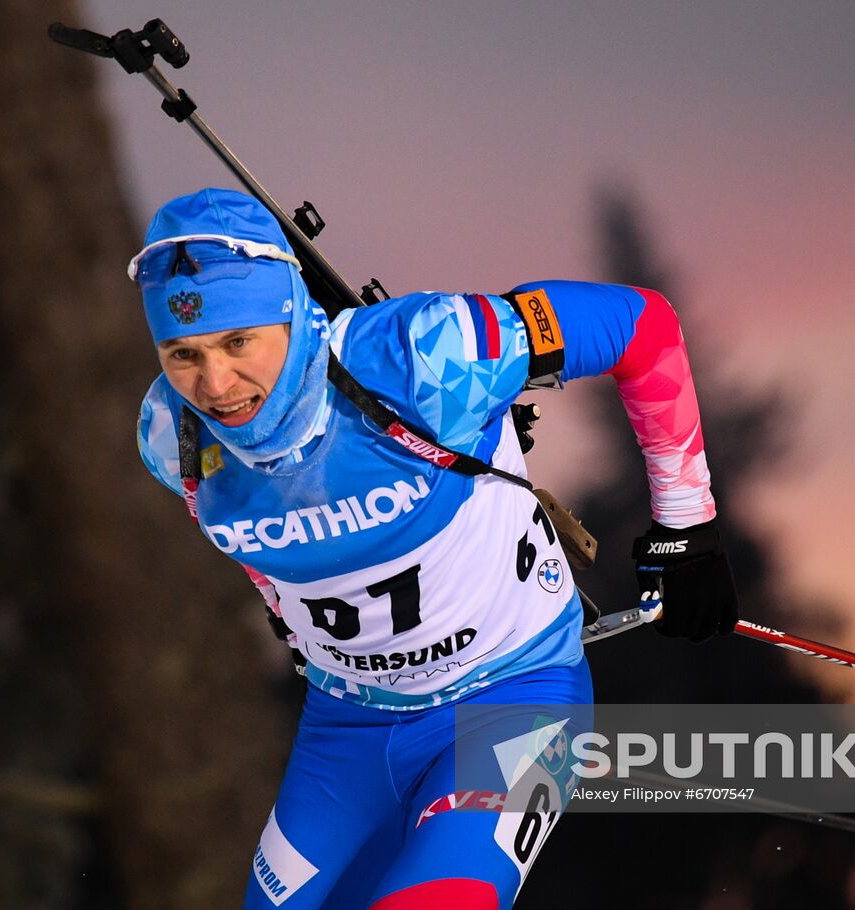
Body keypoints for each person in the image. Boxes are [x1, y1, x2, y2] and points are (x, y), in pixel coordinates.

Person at [132, 187, 738, 909]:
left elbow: (643, 327)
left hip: (520, 703)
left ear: (292, 312)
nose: (216, 384)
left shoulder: (426, 355)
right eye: (183, 354)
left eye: (239, 342)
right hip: (348, 733)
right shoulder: (173, 439)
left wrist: (686, 530)